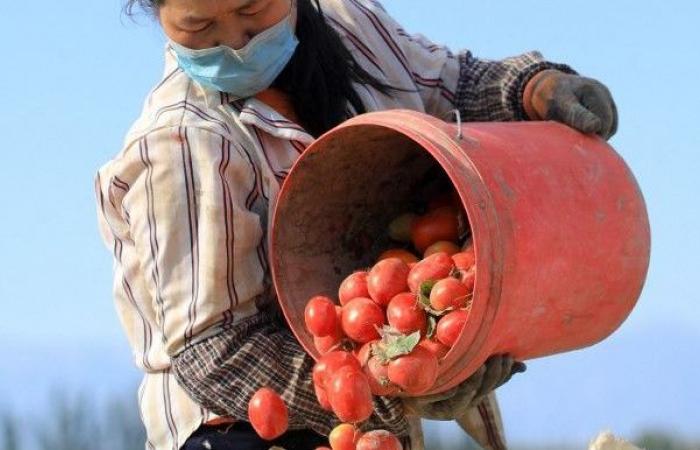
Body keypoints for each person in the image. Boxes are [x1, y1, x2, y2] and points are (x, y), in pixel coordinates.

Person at [94, 0, 618, 449]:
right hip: (235, 429)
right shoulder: (180, 146)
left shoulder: (347, 23)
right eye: (199, 27)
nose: (237, 42)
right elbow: (214, 352)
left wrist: (532, 88)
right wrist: (392, 384)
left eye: (252, 9)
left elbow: (450, 84)